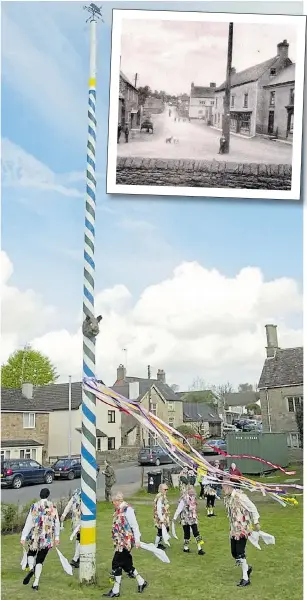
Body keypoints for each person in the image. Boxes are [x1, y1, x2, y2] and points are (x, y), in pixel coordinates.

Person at [103, 492, 147, 598]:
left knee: (116, 563)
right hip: (119, 541)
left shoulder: (128, 510)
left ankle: (115, 590)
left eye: (113, 502)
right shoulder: (119, 510)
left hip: (125, 542)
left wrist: (137, 540)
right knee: (126, 565)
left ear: (118, 501)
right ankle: (141, 582)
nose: (113, 504)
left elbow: (134, 526)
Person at [21, 488, 60, 590]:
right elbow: (56, 522)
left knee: (31, 553)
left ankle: (30, 568)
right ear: (48, 495)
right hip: (47, 537)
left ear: (40, 495)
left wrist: (23, 536)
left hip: (36, 535)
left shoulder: (35, 506)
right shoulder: (53, 506)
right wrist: (57, 537)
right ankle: (36, 583)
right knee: (40, 560)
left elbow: (29, 521)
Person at [223, 482, 260, 587]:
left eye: (224, 487)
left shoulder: (240, 497)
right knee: (234, 553)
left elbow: (252, 507)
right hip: (234, 530)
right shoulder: (228, 498)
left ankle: (245, 578)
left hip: (243, 529)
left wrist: (256, 521)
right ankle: (247, 568)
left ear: (229, 487)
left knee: (240, 552)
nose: (223, 490)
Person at [173, 486, 205, 555]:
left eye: (192, 490)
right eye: (190, 490)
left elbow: (195, 508)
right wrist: (175, 517)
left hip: (193, 518)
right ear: (187, 491)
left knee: (196, 532)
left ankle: (200, 548)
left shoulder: (194, 498)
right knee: (187, 534)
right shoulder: (184, 499)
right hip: (185, 518)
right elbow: (179, 509)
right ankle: (186, 547)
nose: (192, 492)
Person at [60, 488, 81, 568]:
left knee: (78, 538)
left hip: (74, 520)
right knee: (81, 538)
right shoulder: (85, 495)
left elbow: (69, 505)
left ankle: (77, 558)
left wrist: (64, 515)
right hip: (80, 520)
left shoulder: (76, 494)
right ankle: (75, 559)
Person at [154, 483, 170, 550]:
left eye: (167, 489)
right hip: (161, 517)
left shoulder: (163, 496)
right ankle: (156, 544)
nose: (166, 491)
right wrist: (161, 518)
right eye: (165, 489)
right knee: (160, 531)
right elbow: (158, 509)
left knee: (165, 529)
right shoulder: (160, 497)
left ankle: (159, 543)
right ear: (161, 489)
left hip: (164, 516)